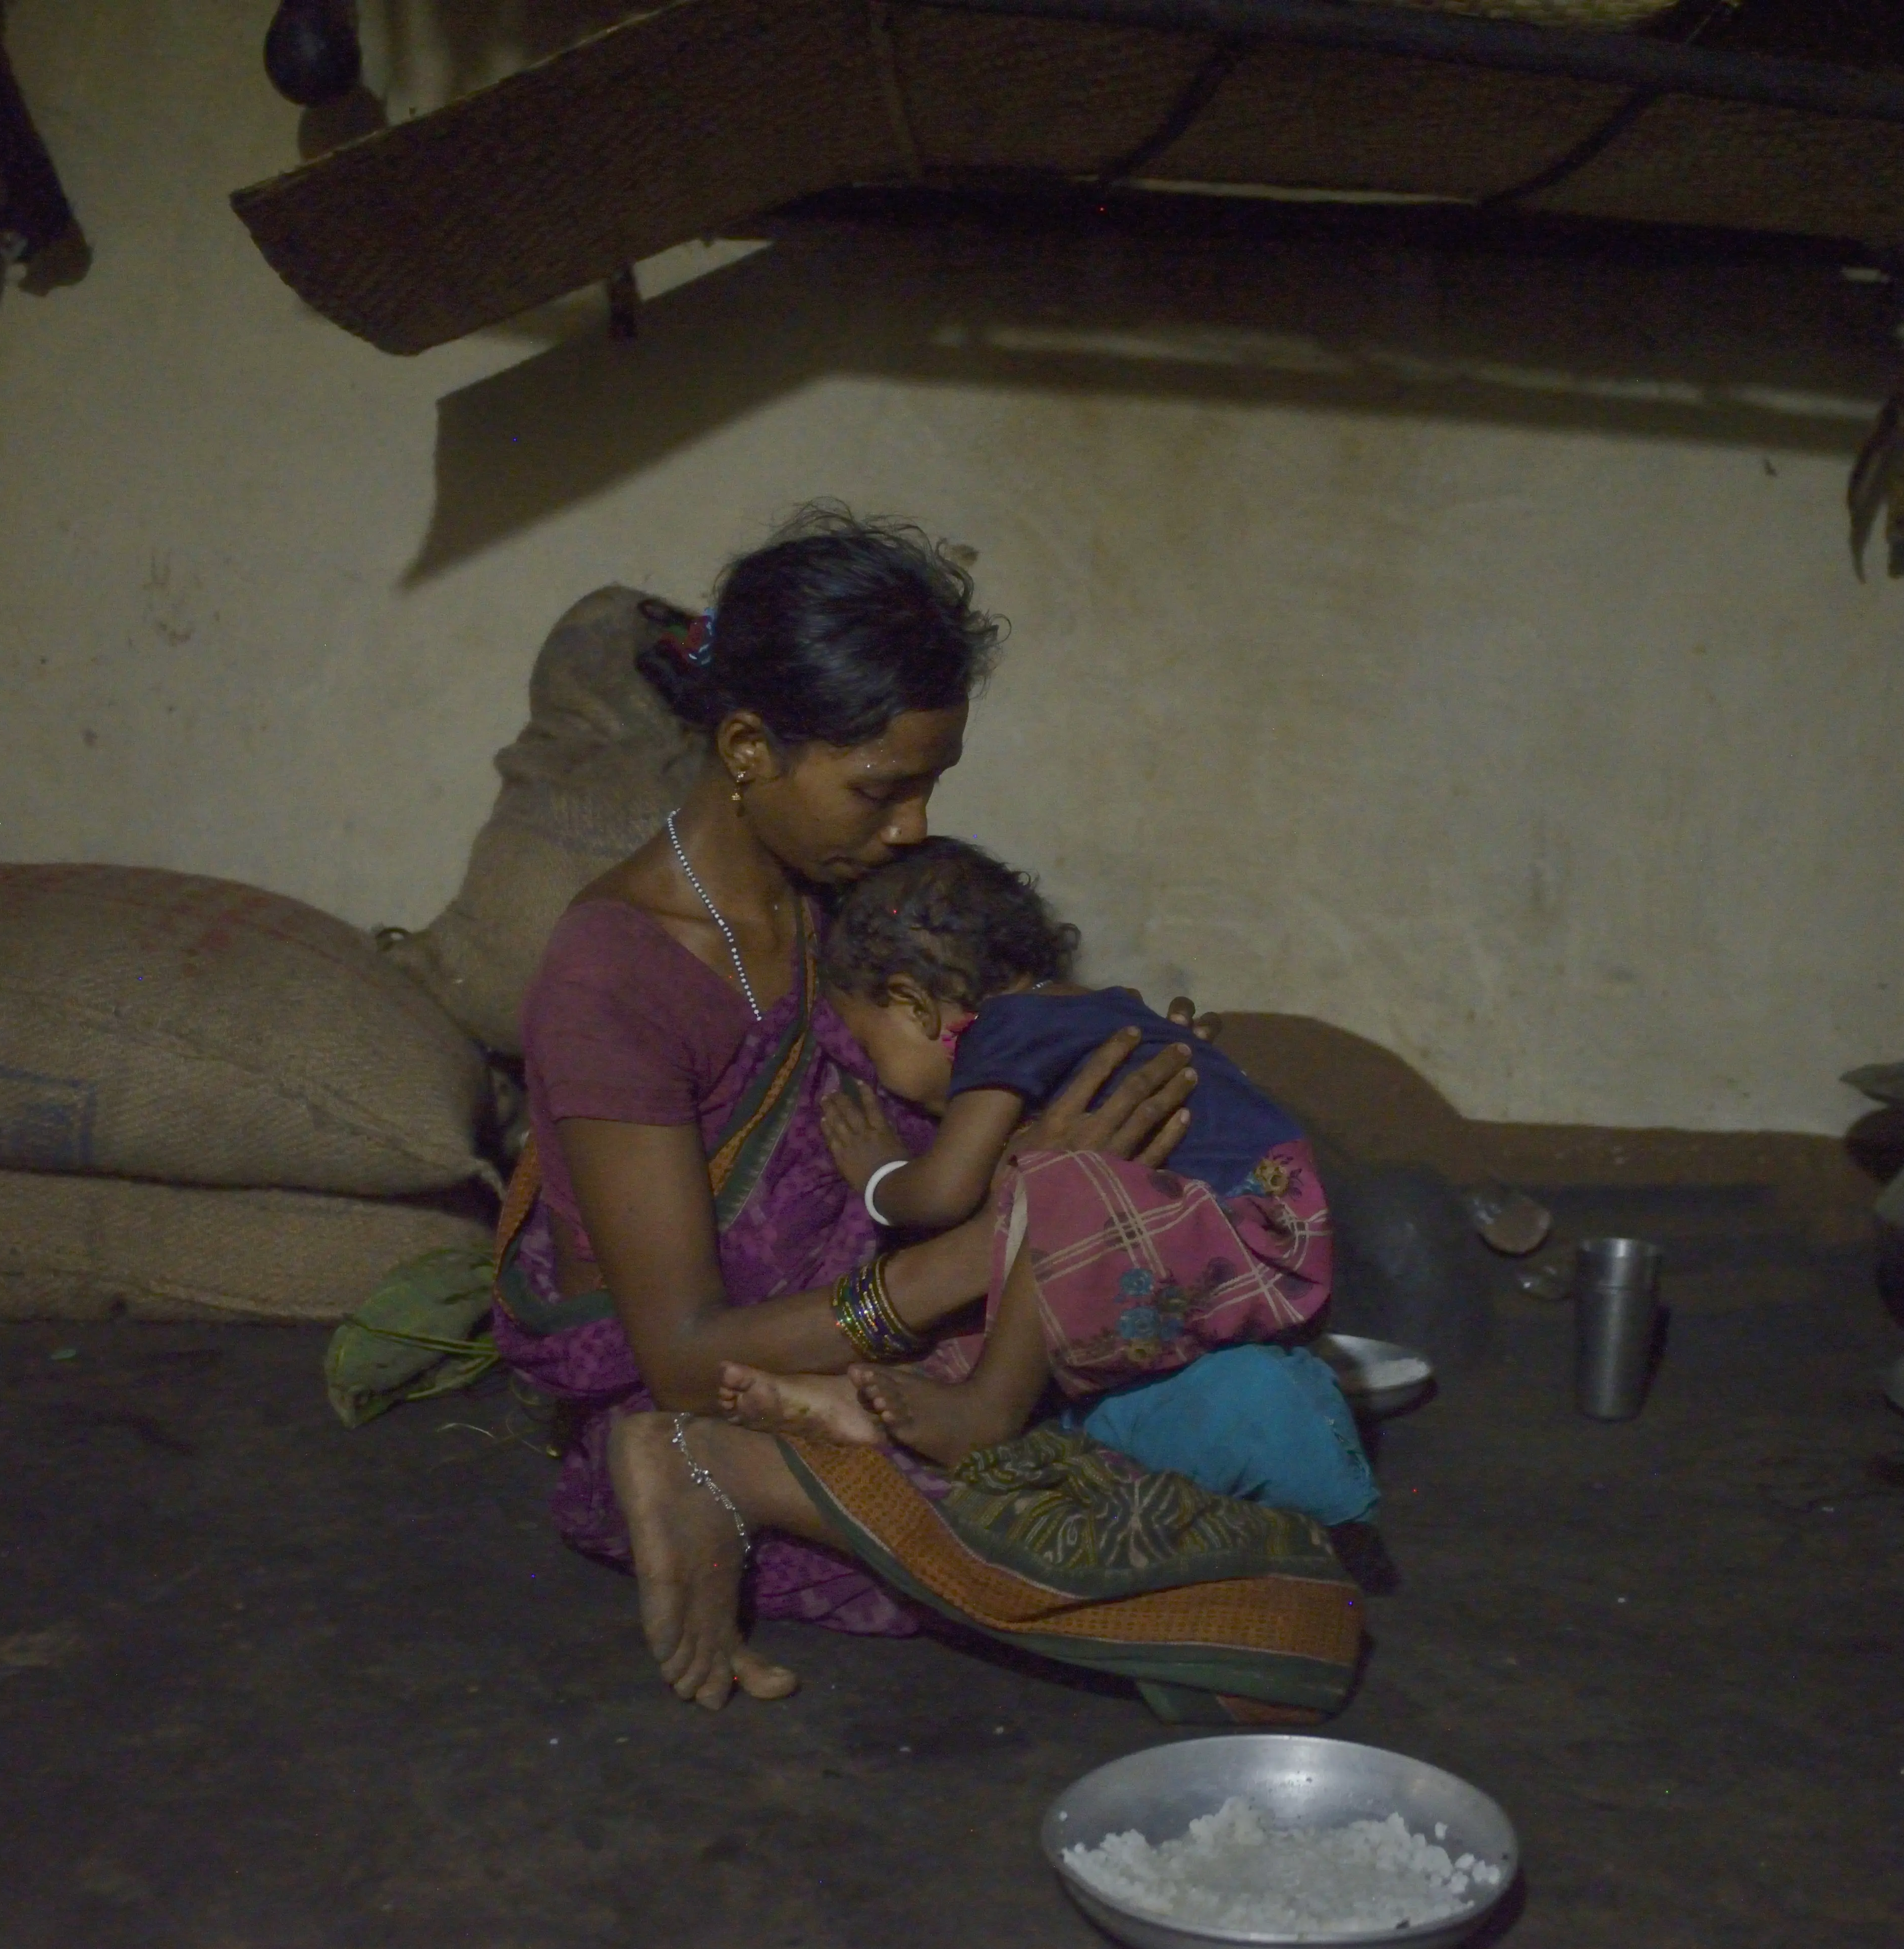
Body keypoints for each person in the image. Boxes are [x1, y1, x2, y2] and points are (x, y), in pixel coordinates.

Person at [493, 507, 1362, 1722]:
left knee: (1252, 1467)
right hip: (728, 1382)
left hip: (917, 1348)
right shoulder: (614, 975)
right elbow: (686, 1350)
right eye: (877, 790)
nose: (911, 827)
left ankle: (789, 1465)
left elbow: (973, 1061)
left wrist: (1095, 1098)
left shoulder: (852, 903)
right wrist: (1005, 1226)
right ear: (746, 746)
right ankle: (708, 1469)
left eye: (928, 788)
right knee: (1271, 1613)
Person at [715, 840, 1375, 1530]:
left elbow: (946, 1192)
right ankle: (877, 1401)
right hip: (1272, 1232)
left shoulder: (1008, 1030)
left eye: (874, 1047)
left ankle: (983, 1410)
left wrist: (879, 1173)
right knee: (1032, 1240)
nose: (880, 1075)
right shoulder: (1098, 1011)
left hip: (1245, 1221)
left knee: (1050, 1181)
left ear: (915, 1006)